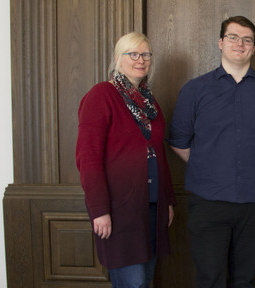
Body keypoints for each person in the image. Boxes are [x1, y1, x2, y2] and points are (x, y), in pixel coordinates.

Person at [168, 16, 255, 288]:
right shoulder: (195, 90)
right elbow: (178, 140)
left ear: (254, 48)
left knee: (245, 279)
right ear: (221, 43)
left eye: (247, 40)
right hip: (208, 201)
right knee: (210, 279)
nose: (240, 43)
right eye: (233, 37)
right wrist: (207, 165)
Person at [76, 32, 176, 287]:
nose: (140, 60)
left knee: (146, 282)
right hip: (120, 210)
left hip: (151, 208)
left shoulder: (149, 102)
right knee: (133, 284)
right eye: (133, 54)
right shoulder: (101, 95)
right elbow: (88, 159)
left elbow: (158, 154)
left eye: (145, 54)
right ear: (117, 59)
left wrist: (167, 201)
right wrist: (99, 210)